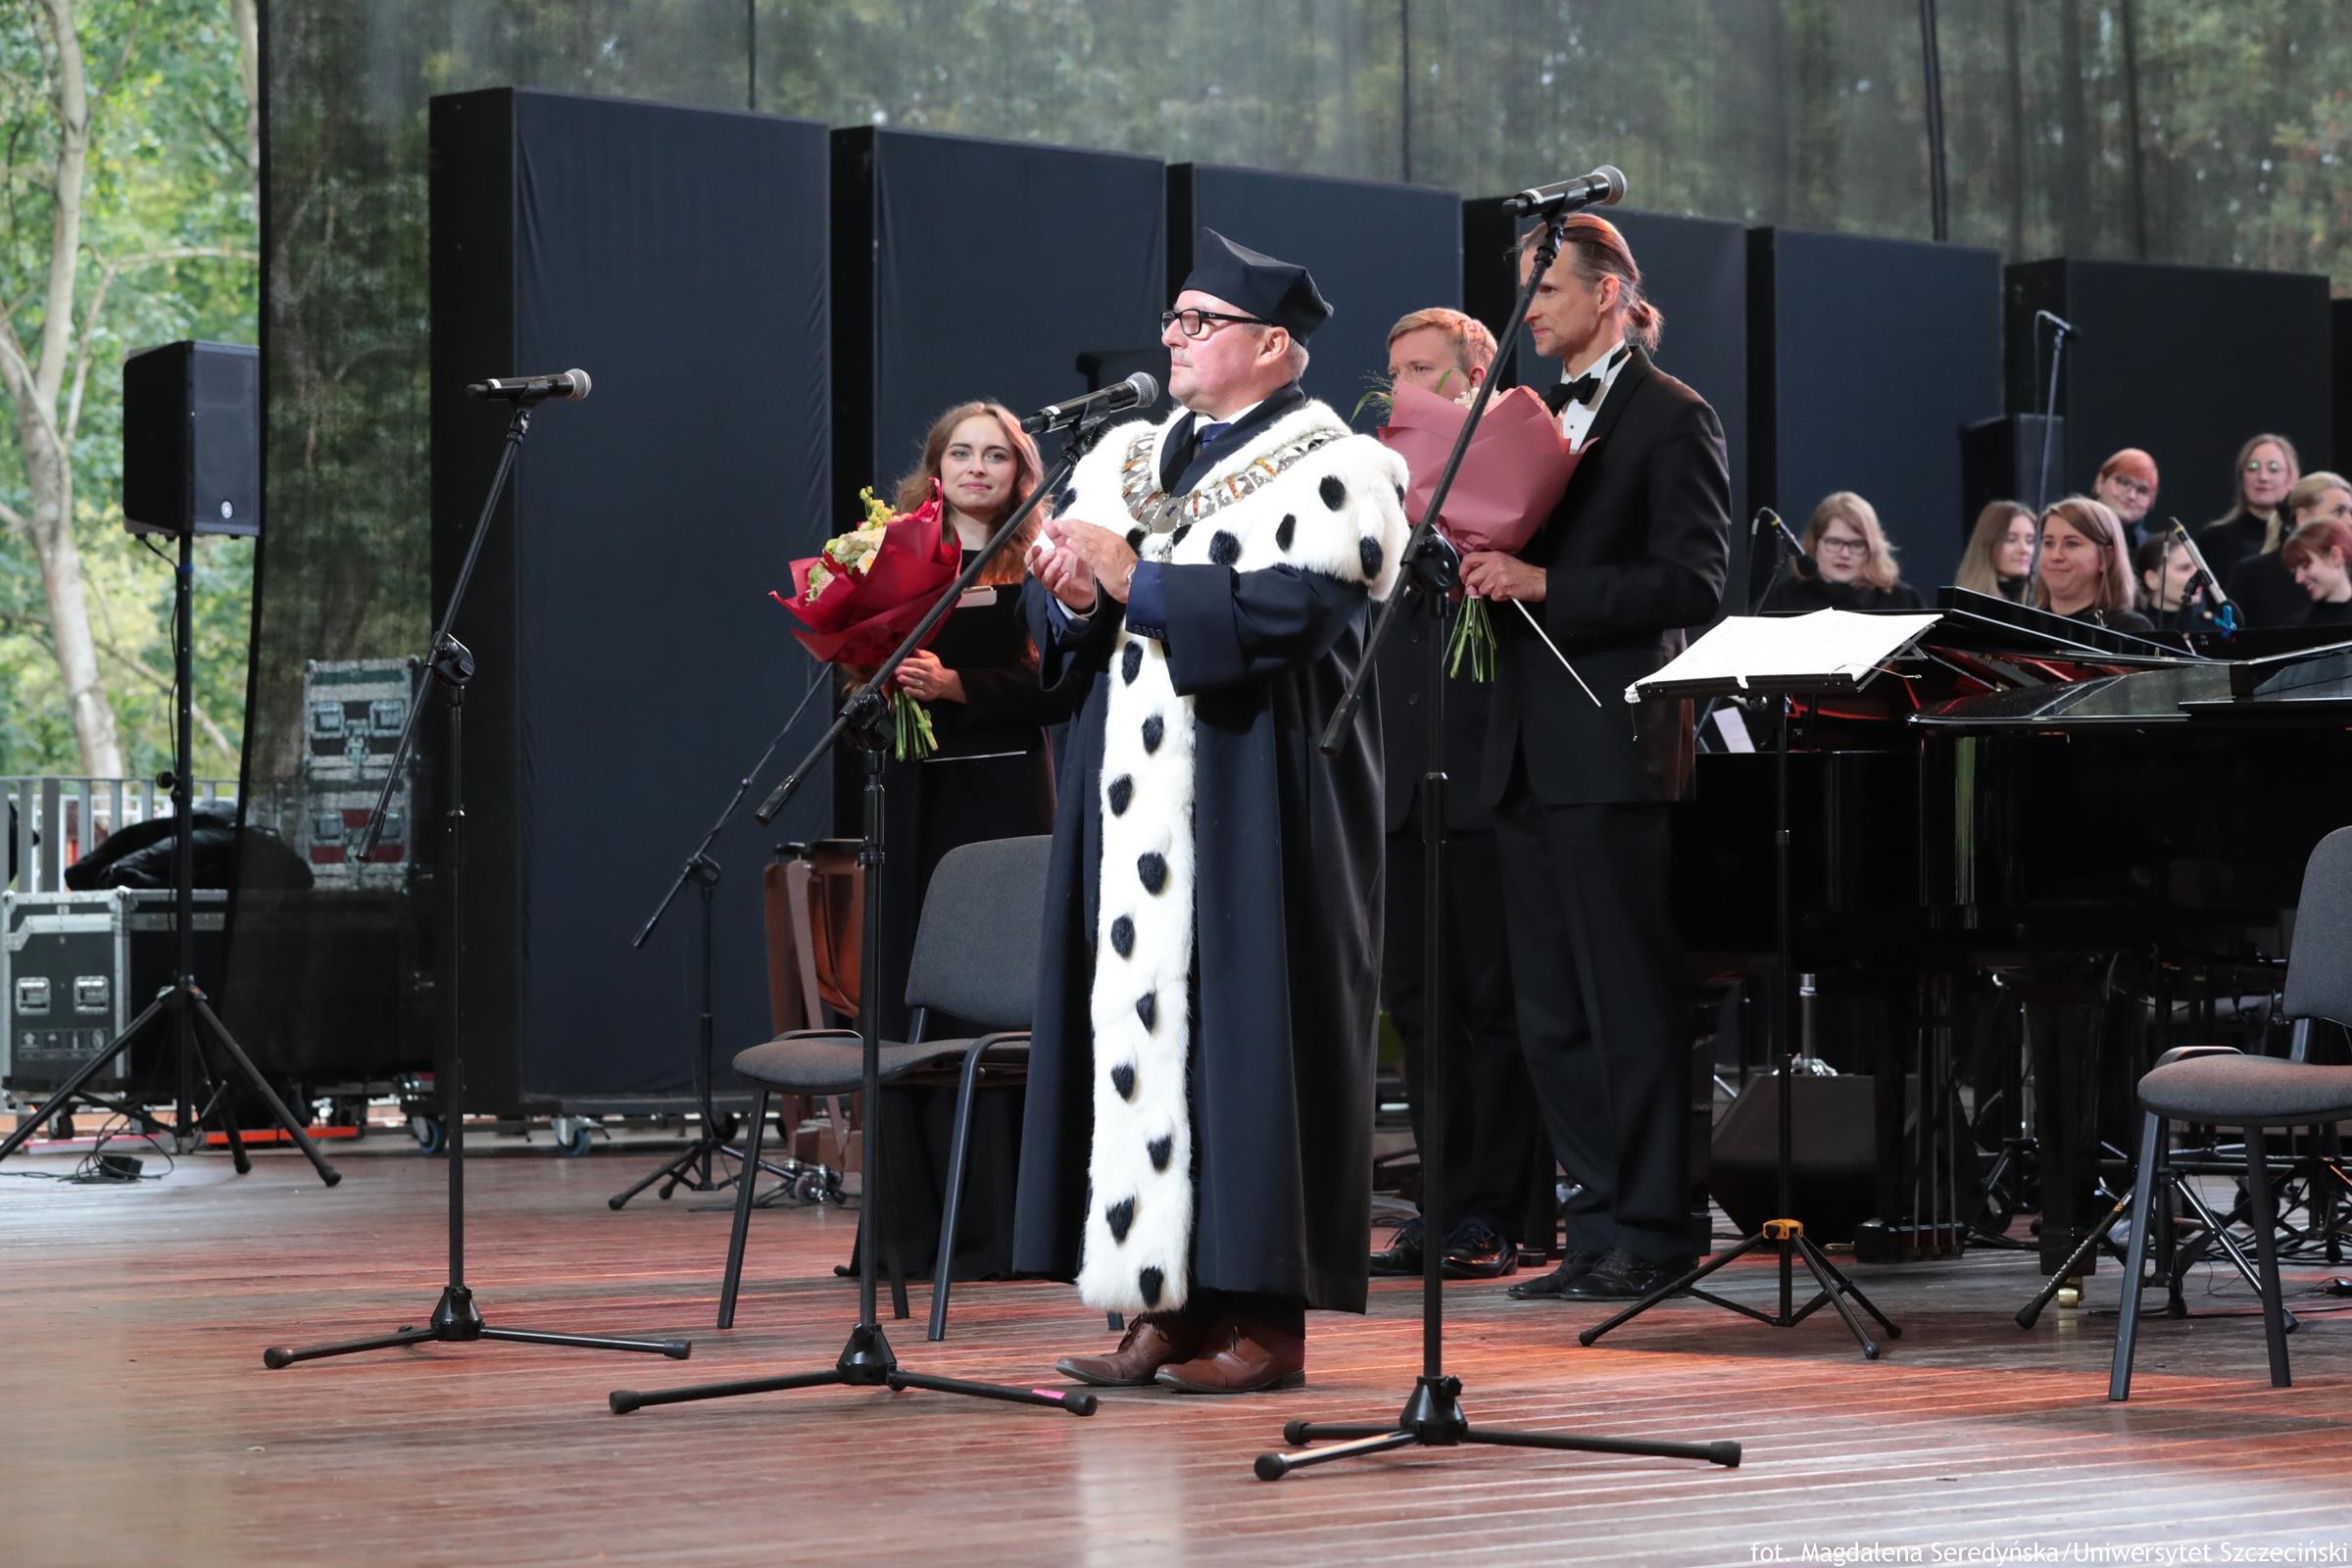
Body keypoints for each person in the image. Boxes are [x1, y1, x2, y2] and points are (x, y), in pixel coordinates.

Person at [1013, 229, 1409, 1394]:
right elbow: (1076, 625)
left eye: (1200, 322)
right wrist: (1074, 595)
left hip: (1258, 788)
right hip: (1131, 796)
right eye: (1174, 318)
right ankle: (1165, 1305)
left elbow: (1299, 617)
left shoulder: (1336, 465)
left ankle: (1265, 1318)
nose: (1173, 338)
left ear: (1273, 345)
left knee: (1253, 1041)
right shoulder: (1129, 456)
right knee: (1148, 1039)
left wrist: (1135, 580)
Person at [1460, 214, 1730, 1303]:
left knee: (1627, 1000)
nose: (1529, 311)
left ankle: (1657, 1230)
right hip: (1522, 747)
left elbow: (1694, 582)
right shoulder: (1524, 417)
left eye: (1548, 290)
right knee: (1552, 1010)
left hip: (1611, 745)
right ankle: (1595, 1228)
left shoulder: (1672, 415)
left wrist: (1546, 584)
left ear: (1609, 293)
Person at [866, 401, 1076, 1282]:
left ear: (1020, 472)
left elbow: (1065, 689)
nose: (977, 469)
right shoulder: (893, 559)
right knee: (911, 998)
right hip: (917, 796)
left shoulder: (1048, 558)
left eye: (996, 456)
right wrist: (875, 679)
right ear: (935, 467)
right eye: (962, 453)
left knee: (998, 999)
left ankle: (1006, 1230)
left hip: (1004, 801)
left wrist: (959, 687)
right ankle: (912, 1233)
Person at [1367, 306, 1544, 1285]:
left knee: (1492, 1006)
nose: (1403, 387)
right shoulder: (1383, 484)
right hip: (1401, 785)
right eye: (1395, 369)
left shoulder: (1514, 469)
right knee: (1420, 1008)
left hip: (1487, 778)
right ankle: (1440, 1205)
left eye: (1422, 369)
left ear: (1475, 376)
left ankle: (1497, 1211)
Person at [2205, 434, 2308, 628]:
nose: (2263, 477)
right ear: (2241, 476)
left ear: (2292, 478)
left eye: (2273, 468)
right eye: (2253, 467)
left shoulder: (2305, 543)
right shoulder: (2213, 540)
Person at [1759, 491, 1922, 612]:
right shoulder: (1783, 598)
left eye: (1857, 544)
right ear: (1814, 544)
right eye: (1834, 542)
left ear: (1872, 549)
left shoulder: (1903, 600)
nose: (1844, 554)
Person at [2033, 496, 2152, 633]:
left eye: (2071, 544)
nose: (2055, 556)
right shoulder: (2023, 621)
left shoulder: (2129, 628)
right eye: (2048, 543)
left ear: (2106, 557)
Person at [2133, 532, 2219, 634]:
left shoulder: (2213, 628)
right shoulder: (2133, 629)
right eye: (2185, 568)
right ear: (2152, 579)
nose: (2200, 576)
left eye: (2199, 566)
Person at [1955, 500, 2036, 601]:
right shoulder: (1963, 602)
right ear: (1988, 544)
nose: (2024, 549)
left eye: (2030, 541)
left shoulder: (2041, 603)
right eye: (2011, 539)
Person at [2092, 448, 2161, 549]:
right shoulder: (2070, 531)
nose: (2131, 496)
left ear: (2151, 501)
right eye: (2124, 483)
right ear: (2100, 482)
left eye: (2142, 490)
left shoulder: (2158, 553)